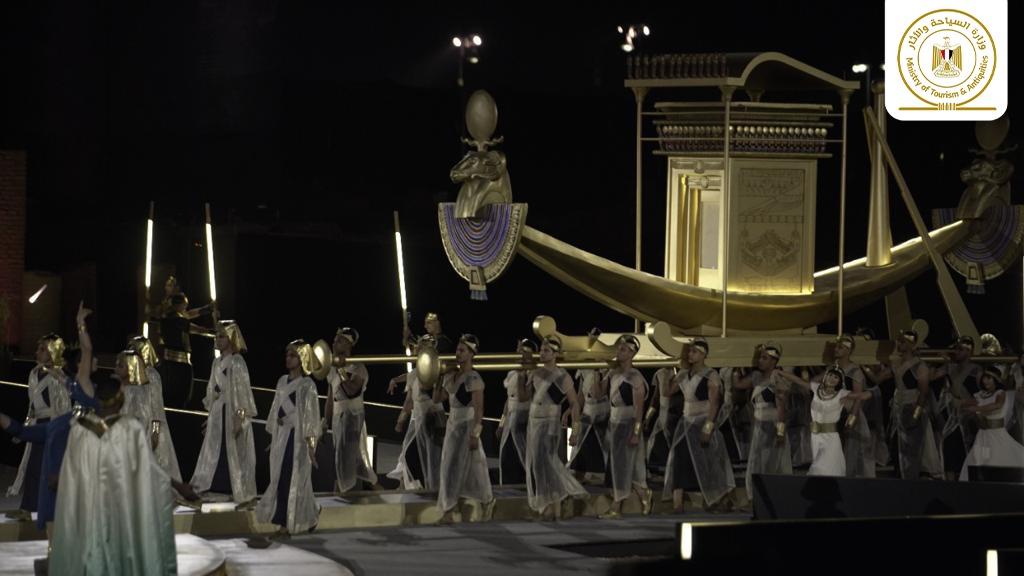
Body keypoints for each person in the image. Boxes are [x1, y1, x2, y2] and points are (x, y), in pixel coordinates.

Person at [51, 314, 198, 575]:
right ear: (117, 400)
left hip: (92, 502)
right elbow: (149, 470)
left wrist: (60, 478)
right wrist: (176, 485)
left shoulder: (82, 428)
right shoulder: (125, 430)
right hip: (121, 503)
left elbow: (73, 468)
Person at [255, 340, 322, 537]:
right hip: (282, 438)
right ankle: (312, 512)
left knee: (290, 479)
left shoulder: (307, 385)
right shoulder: (282, 381)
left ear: (301, 359)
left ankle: (284, 525)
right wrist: (274, 434)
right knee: (284, 478)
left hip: (296, 439)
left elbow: (311, 416)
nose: (288, 358)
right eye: (287, 355)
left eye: (293, 355)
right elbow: (276, 409)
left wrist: (311, 445)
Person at [190, 320, 258, 509]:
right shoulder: (216, 362)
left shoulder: (237, 361)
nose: (217, 339)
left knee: (232, 451)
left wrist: (240, 417)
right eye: (216, 335)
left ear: (231, 339)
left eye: (222, 336)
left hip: (232, 413)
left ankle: (231, 488)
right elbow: (212, 392)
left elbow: (243, 392)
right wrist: (210, 417)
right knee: (213, 451)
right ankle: (213, 487)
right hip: (219, 413)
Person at [663, 338, 735, 513]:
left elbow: (714, 403)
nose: (690, 354)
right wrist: (671, 374)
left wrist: (708, 428)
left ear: (703, 354)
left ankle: (716, 500)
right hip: (685, 423)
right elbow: (667, 392)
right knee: (678, 459)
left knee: (708, 462)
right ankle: (677, 504)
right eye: (689, 351)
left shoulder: (711, 375)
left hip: (702, 422)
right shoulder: (683, 374)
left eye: (694, 352)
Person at [6, 333, 71, 521]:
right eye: (38, 348)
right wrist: (25, 427)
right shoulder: (34, 373)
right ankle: (28, 507)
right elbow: (32, 406)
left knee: (47, 468)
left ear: (52, 352)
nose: (37, 352)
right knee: (32, 466)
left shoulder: (58, 376)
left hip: (52, 426)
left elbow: (64, 407)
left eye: (42, 349)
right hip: (38, 425)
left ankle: (51, 510)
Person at [524, 336, 587, 519]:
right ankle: (548, 504)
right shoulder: (535, 373)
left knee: (549, 462)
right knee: (538, 464)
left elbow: (575, 404)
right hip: (534, 421)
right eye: (541, 350)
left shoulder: (562, 376)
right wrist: (523, 376)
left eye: (546, 351)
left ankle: (556, 502)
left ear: (555, 354)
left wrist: (575, 431)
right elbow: (524, 397)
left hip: (549, 423)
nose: (542, 354)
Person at [435, 334, 495, 524]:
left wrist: (475, 433)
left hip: (467, 426)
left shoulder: (473, 377)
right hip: (453, 425)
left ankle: (451, 511)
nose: (457, 354)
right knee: (459, 467)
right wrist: (438, 377)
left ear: (471, 353)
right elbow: (438, 399)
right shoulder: (453, 375)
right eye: (457, 350)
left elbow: (479, 408)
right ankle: (483, 501)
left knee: (464, 467)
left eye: (462, 351)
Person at [601, 335, 652, 518]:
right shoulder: (614, 374)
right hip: (614, 423)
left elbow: (639, 409)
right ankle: (643, 493)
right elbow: (598, 393)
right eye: (619, 348)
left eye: (623, 349)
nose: (618, 352)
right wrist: (598, 373)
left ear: (632, 353)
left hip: (628, 423)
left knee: (622, 466)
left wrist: (636, 433)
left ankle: (616, 507)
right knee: (627, 465)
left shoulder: (635, 377)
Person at [731, 342, 791, 498]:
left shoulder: (777, 378)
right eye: (760, 358)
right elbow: (738, 384)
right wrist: (736, 365)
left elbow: (781, 407)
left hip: (772, 426)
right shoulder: (757, 376)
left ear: (773, 361)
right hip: (759, 425)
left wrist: (780, 432)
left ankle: (772, 497)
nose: (760, 361)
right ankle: (755, 497)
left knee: (772, 462)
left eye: (764, 358)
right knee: (756, 462)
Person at [326, 327, 380, 493]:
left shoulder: (358, 367)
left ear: (349, 345)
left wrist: (341, 369)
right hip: (337, 416)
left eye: (340, 340)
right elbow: (330, 397)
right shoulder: (331, 367)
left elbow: (351, 391)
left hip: (352, 418)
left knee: (346, 458)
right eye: (335, 339)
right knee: (343, 458)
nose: (335, 343)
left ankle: (341, 493)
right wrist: (324, 422)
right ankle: (376, 489)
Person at [387, 336, 444, 490]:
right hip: (417, 417)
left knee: (425, 454)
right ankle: (415, 486)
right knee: (411, 453)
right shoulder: (413, 373)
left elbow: (437, 396)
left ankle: (427, 487)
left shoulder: (435, 371)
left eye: (419, 346)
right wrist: (400, 420)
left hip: (431, 417)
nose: (415, 348)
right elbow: (409, 401)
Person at [124, 336, 182, 481]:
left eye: (135, 350)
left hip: (148, 424)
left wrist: (155, 431)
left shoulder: (152, 375)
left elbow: (156, 405)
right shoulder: (130, 375)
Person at [891, 329, 942, 479]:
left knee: (914, 447)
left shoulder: (920, 366)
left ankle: (913, 478)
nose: (899, 344)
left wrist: (916, 414)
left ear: (912, 345)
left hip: (912, 407)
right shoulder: (896, 363)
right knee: (898, 447)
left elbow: (923, 392)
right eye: (899, 341)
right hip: (898, 408)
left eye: (903, 342)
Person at [932, 335, 982, 481]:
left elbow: (982, 396)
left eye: (960, 349)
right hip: (952, 418)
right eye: (956, 349)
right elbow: (931, 376)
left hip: (968, 419)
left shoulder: (976, 371)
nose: (956, 352)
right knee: (949, 449)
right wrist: (938, 362)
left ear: (969, 352)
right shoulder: (950, 367)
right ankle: (950, 486)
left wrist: (965, 403)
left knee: (965, 452)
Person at [960, 365, 1024, 480]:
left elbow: (997, 405)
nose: (986, 381)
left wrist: (977, 409)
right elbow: (964, 403)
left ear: (996, 379)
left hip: (997, 435)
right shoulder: (980, 395)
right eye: (984, 378)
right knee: (979, 459)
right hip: (982, 436)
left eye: (989, 378)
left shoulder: (1000, 393)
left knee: (998, 459)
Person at [157, 292, 216, 408]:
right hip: (177, 366)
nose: (186, 308)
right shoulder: (176, 319)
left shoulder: (170, 316)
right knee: (178, 397)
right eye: (185, 305)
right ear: (179, 305)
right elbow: (192, 327)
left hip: (171, 364)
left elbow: (188, 315)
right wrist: (211, 332)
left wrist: (207, 309)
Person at [832, 335, 874, 478]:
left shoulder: (854, 371)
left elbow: (858, 396)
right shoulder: (834, 368)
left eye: (840, 347)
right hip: (836, 412)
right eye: (836, 346)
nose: (836, 349)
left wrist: (852, 418)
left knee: (854, 449)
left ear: (848, 351)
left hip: (851, 411)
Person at [497, 339, 535, 484]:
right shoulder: (512, 372)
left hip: (522, 418)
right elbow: (508, 400)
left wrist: (521, 375)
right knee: (506, 455)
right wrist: (501, 423)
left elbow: (524, 397)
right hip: (510, 417)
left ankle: (529, 486)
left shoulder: (532, 373)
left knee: (523, 454)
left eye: (523, 352)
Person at [645, 353, 685, 479]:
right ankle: (652, 470)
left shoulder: (681, 375)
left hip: (674, 414)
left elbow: (676, 395)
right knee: (653, 441)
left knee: (674, 443)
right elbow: (656, 398)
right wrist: (648, 416)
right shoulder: (660, 373)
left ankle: (676, 473)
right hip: (662, 412)